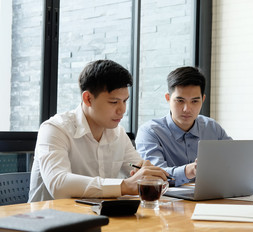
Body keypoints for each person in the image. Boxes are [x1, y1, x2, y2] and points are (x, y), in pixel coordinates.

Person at [28, 60, 169, 202]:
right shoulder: (55, 129)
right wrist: (123, 186)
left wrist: (148, 175)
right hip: (49, 220)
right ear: (88, 99)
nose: (122, 110)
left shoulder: (118, 134)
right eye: (114, 102)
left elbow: (139, 169)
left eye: (125, 101)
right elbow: (59, 185)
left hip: (100, 217)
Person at [135, 66, 231, 186]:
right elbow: (153, 176)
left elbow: (237, 163)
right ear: (168, 98)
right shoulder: (150, 132)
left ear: (203, 99)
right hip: (168, 202)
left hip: (212, 198)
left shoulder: (212, 128)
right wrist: (190, 170)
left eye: (195, 101)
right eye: (180, 101)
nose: (187, 109)